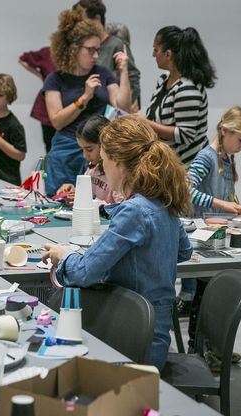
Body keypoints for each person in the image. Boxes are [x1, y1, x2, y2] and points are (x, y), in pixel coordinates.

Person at [41, 116, 193, 370]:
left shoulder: (134, 211)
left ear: (117, 162)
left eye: (103, 160)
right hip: (155, 334)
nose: (101, 166)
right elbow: (184, 251)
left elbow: (84, 272)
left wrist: (64, 254)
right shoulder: (163, 201)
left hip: (130, 336)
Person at [182, 106, 241, 353]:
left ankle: (214, 347)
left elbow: (224, 194)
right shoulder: (207, 157)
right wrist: (220, 204)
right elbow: (187, 189)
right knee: (203, 297)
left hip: (218, 238)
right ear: (225, 131)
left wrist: (236, 206)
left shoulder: (226, 158)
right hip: (203, 239)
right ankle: (199, 349)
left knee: (217, 298)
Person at [43, 8, 131, 196]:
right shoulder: (55, 79)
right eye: (90, 50)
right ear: (73, 48)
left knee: (98, 202)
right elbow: (57, 121)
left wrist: (123, 71)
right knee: (61, 198)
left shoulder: (104, 74)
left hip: (100, 150)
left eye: (98, 50)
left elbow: (122, 107)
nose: (96, 56)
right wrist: (84, 97)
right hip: (66, 149)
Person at [133, 25, 217, 165]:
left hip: (187, 170)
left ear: (168, 54)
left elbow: (185, 135)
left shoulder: (187, 89)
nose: (153, 55)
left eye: (156, 50)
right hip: (169, 165)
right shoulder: (164, 80)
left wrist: (146, 123)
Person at [74, 0, 141, 109]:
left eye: (82, 21)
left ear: (97, 19)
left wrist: (126, 107)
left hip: (110, 112)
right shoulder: (77, 46)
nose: (79, 26)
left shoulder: (116, 45)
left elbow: (133, 77)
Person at [55, 115, 123, 206]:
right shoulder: (92, 168)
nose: (84, 155)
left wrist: (88, 202)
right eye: (82, 149)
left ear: (104, 144)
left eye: (89, 149)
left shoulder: (118, 173)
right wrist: (74, 194)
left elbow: (121, 209)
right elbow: (88, 196)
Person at [18, 46, 57, 153]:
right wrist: (41, 76)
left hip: (71, 106)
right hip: (47, 107)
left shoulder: (79, 53)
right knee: (50, 146)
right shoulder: (48, 52)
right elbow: (22, 59)